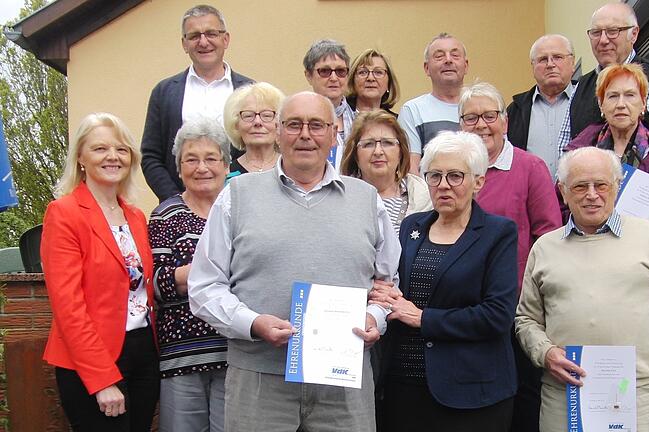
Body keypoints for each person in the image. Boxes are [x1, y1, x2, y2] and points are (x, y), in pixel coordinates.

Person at [187, 91, 400, 432]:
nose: (305, 134)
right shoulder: (237, 196)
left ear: (333, 134)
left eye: (316, 125)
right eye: (294, 124)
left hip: (343, 382)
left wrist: (375, 318)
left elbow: (388, 285)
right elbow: (204, 286)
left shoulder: (367, 200)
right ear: (277, 132)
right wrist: (252, 323)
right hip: (259, 380)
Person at [515, 147, 649, 432]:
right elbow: (526, 320)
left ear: (617, 186)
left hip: (637, 400)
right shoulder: (545, 248)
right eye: (579, 186)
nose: (591, 194)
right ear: (563, 191)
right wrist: (545, 352)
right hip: (565, 401)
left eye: (600, 184)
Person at [373, 131, 519, 432]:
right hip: (404, 388)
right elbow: (399, 290)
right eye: (434, 175)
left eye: (455, 176)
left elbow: (497, 315)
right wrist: (384, 293)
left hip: (470, 393)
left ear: (478, 181)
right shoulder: (412, 226)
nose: (443, 185)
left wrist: (425, 319)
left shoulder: (498, 233)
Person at [41, 113, 159, 431]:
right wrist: (101, 379)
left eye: (121, 149)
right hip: (93, 361)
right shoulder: (63, 213)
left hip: (142, 352)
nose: (112, 157)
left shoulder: (134, 216)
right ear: (80, 157)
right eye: (100, 149)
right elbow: (68, 307)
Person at [459, 82, 561, 432]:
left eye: (490, 115)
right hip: (467, 307)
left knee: (523, 395)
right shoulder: (454, 172)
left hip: (518, 306)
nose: (481, 124)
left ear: (505, 120)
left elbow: (548, 235)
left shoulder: (530, 167)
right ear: (460, 124)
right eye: (471, 117)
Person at [563, 63, 649, 255]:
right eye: (612, 96)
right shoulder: (578, 154)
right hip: (590, 256)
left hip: (648, 260)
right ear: (601, 104)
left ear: (643, 103)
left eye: (630, 95)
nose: (621, 104)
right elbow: (560, 208)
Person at [148, 117, 231, 432]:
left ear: (225, 165)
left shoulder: (239, 212)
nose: (202, 167)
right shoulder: (166, 215)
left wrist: (192, 274)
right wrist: (216, 267)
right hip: (182, 355)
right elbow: (158, 283)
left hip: (235, 351)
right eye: (191, 159)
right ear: (179, 168)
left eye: (211, 158)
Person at [558, 2, 649, 173]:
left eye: (612, 31)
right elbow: (564, 151)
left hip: (648, 194)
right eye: (596, 33)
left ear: (633, 34)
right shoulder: (580, 87)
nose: (603, 40)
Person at [141, 4, 253, 201]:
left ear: (225, 39)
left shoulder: (249, 91)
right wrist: (177, 201)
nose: (203, 42)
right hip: (181, 210)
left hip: (239, 203)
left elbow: (261, 151)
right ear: (184, 44)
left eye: (211, 33)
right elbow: (151, 156)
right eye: (194, 36)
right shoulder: (164, 92)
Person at [340, 110, 432, 235]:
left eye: (387, 143)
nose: (378, 151)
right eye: (368, 144)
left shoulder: (425, 196)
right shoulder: (339, 195)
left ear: (401, 151)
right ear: (355, 154)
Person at [506, 34, 576, 179]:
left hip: (579, 196)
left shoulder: (588, 102)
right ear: (533, 66)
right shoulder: (515, 111)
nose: (550, 64)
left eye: (557, 57)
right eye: (543, 59)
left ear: (572, 63)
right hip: (531, 199)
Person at [399, 33, 469, 174]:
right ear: (426, 68)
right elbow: (411, 169)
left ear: (466, 65)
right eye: (439, 56)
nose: (448, 60)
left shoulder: (483, 108)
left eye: (455, 55)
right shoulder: (413, 110)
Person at [303, 39, 354, 170]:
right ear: (308, 75)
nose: (334, 78)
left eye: (340, 71)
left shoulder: (360, 120)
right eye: (325, 71)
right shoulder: (297, 119)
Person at [223, 82, 285, 176]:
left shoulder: (293, 170)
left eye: (267, 115)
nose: (257, 122)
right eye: (248, 116)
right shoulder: (225, 174)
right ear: (236, 124)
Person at [347, 49, 401, 116]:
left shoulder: (397, 123)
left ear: (389, 82)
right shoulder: (339, 117)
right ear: (352, 80)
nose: (370, 78)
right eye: (363, 72)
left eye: (378, 72)